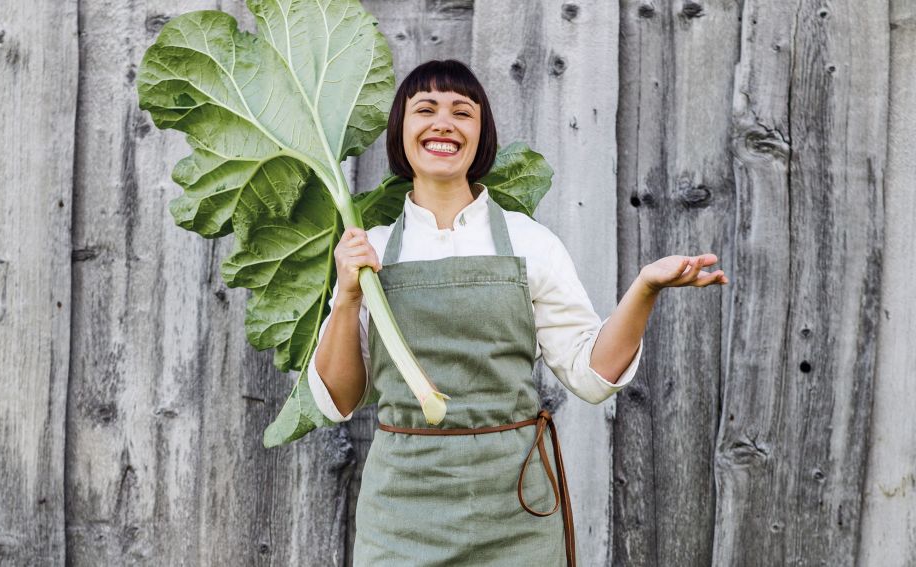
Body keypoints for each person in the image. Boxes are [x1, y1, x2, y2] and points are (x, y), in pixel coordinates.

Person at [307, 59, 728, 566]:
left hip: (515, 507)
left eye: (462, 112)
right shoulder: (369, 254)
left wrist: (645, 288)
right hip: (402, 509)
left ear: (481, 136)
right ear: (401, 132)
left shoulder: (532, 244)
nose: (444, 122)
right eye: (426, 109)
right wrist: (349, 296)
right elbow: (340, 401)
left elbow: (592, 375)